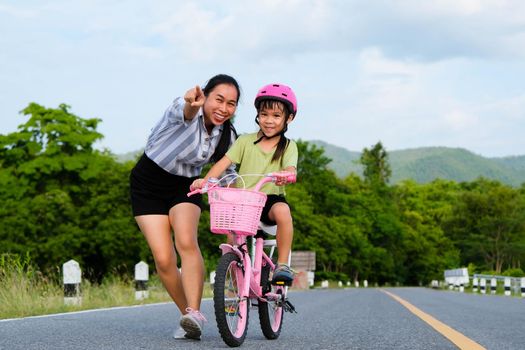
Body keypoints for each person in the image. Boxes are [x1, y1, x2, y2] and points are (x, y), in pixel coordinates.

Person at [129, 74, 241, 340]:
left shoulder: (228, 135)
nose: (224, 109)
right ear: (205, 96)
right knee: (164, 259)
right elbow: (186, 110)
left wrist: (234, 224)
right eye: (219, 100)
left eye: (232, 104)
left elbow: (229, 177)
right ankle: (189, 316)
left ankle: (195, 312)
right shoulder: (182, 111)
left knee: (186, 242)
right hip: (148, 183)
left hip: (187, 186)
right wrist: (192, 104)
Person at [192, 83, 298, 283]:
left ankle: (282, 265)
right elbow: (223, 163)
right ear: (258, 114)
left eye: (276, 116)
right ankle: (233, 288)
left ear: (289, 118)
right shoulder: (244, 141)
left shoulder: (288, 146)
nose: (269, 121)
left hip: (269, 200)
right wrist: (206, 181)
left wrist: (287, 174)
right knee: (232, 242)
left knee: (283, 212)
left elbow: (291, 168)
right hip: (243, 201)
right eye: (264, 114)